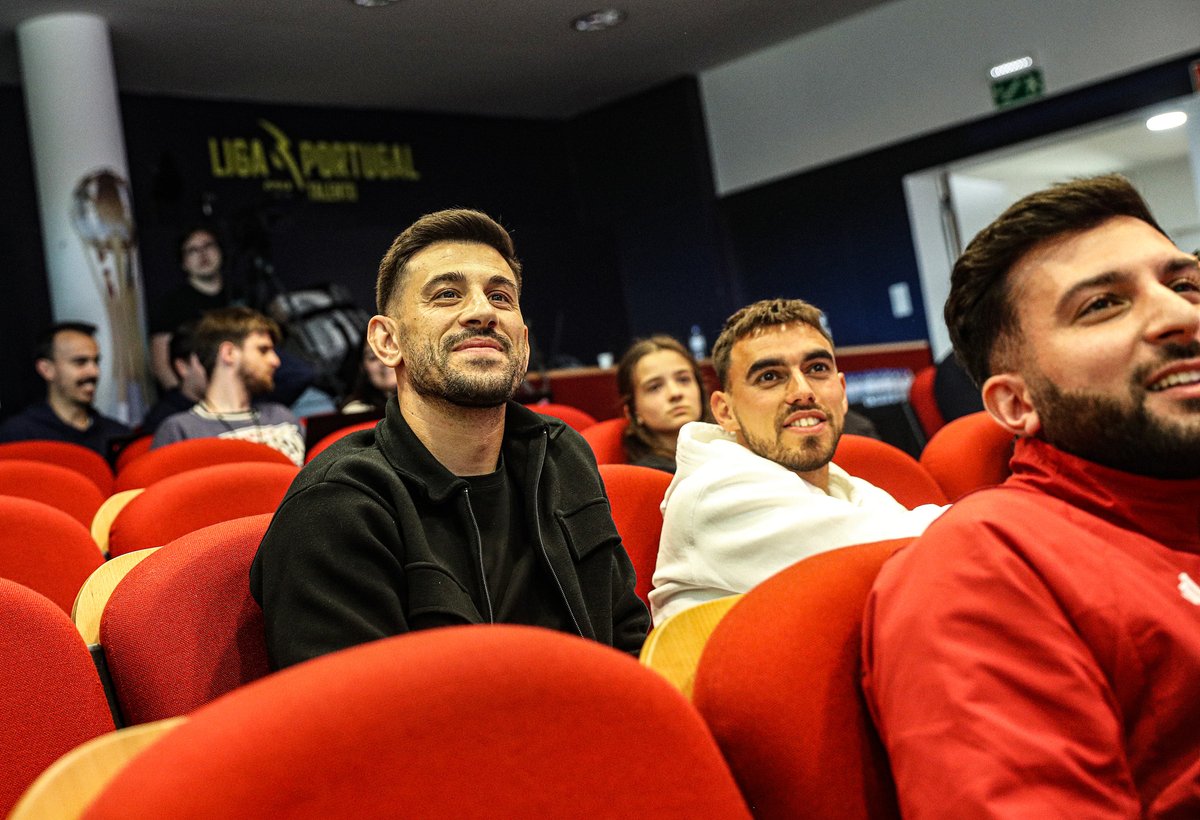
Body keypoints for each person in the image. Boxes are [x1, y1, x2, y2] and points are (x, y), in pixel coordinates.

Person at [861, 175, 1200, 818]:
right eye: (1102, 305)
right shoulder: (984, 568)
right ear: (1017, 403)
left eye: (1183, 285)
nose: (1181, 315)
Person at [250, 208, 649, 669]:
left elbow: (629, 640)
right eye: (446, 295)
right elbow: (359, 727)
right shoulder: (335, 508)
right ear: (386, 342)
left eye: (500, 296)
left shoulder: (562, 454)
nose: (481, 312)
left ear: (522, 338)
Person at [650, 298, 944, 623]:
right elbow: (919, 550)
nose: (802, 391)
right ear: (725, 411)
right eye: (769, 376)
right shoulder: (714, 493)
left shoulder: (848, 488)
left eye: (817, 369)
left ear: (843, 393)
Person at [152, 306, 304, 466]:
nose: (275, 361)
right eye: (263, 350)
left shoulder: (282, 417)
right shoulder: (180, 430)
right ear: (229, 353)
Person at [0, 322, 132, 460]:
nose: (94, 372)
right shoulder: (19, 436)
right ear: (47, 369)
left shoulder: (117, 435)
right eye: (80, 362)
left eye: (96, 362)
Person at [148, 226, 233, 390]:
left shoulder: (240, 294)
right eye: (193, 250)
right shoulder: (172, 304)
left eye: (208, 246)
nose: (203, 254)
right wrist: (185, 402)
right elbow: (160, 364)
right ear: (184, 263)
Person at [615, 334, 710, 472]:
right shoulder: (647, 476)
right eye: (655, 387)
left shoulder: (732, 447)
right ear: (632, 411)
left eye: (683, 380)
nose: (675, 393)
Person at [139, 319, 207, 434]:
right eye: (204, 360)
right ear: (182, 367)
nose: (214, 368)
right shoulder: (164, 420)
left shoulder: (229, 405)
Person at [339, 332, 397, 413]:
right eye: (372, 357)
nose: (384, 362)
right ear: (362, 368)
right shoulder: (356, 411)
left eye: (390, 352)